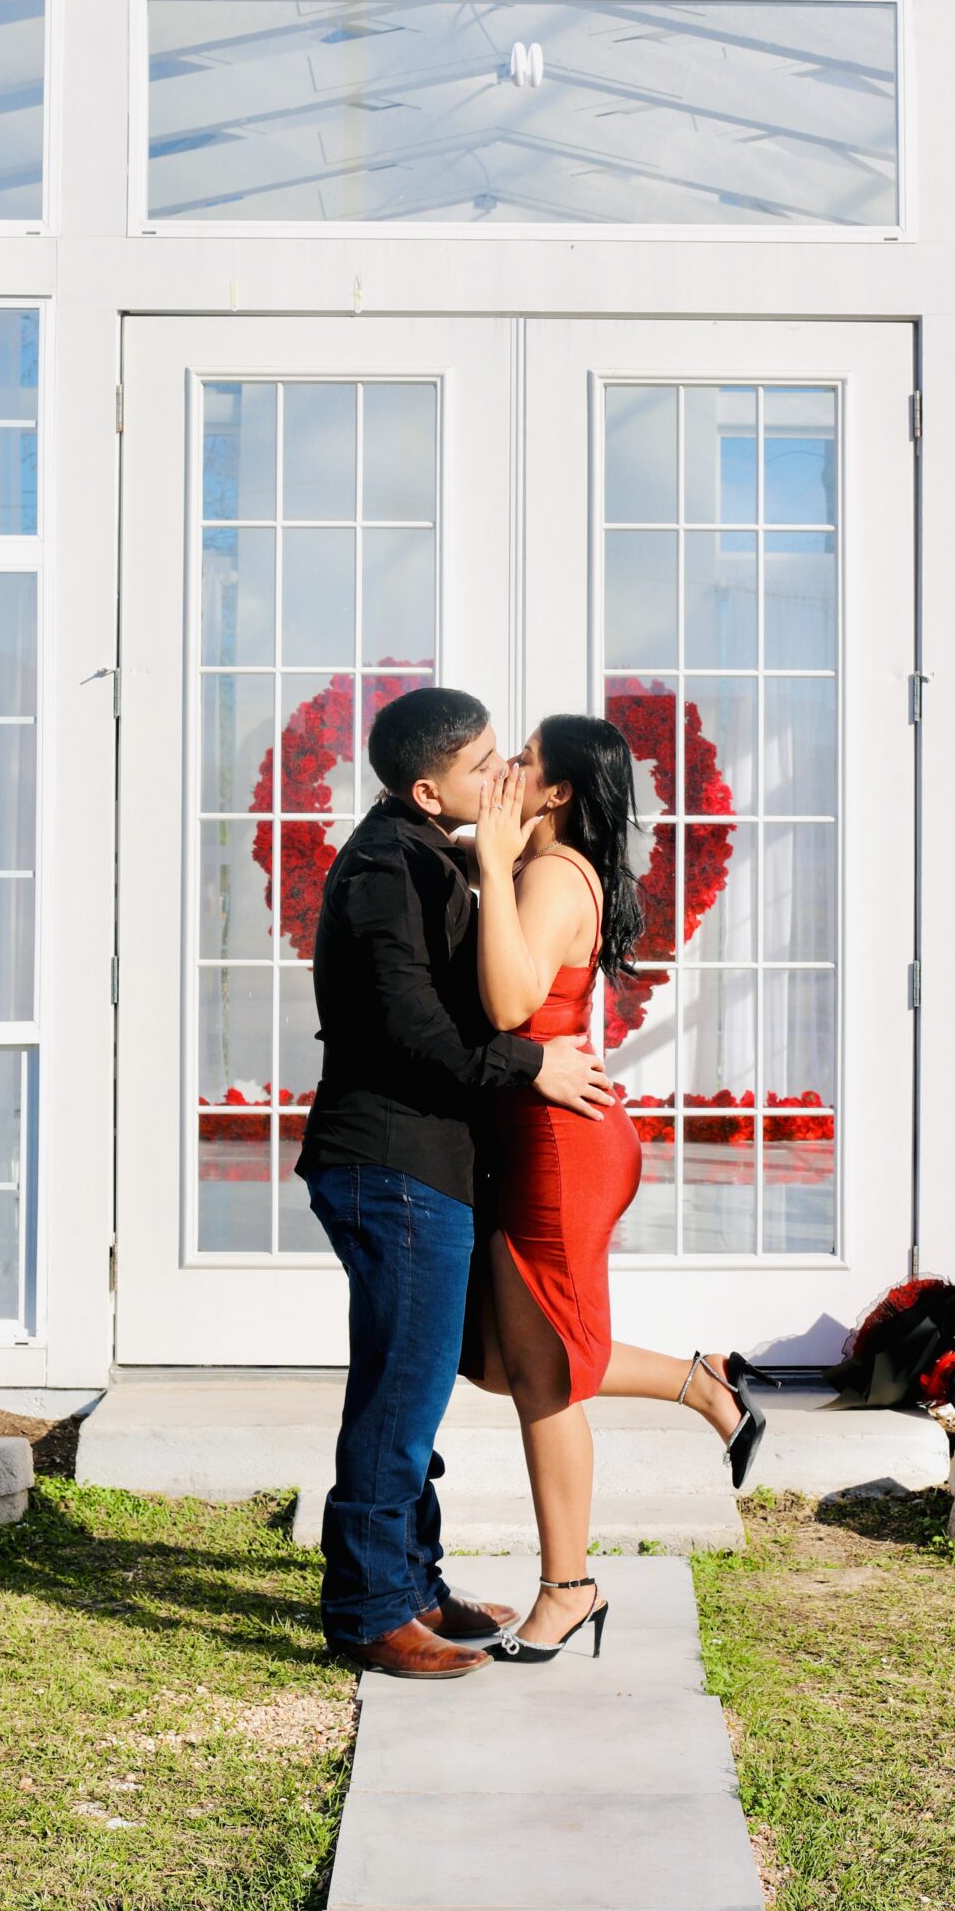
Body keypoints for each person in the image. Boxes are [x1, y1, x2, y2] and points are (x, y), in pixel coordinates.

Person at [297, 685, 616, 1680]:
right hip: (390, 1163)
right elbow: (412, 1033)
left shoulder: (436, 851)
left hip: (425, 1162)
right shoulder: (387, 869)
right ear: (432, 791)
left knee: (419, 1388)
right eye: (489, 763)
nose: (509, 776)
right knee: (399, 1394)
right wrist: (533, 1067)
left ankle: (415, 1581)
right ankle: (366, 1611)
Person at [465, 713, 770, 1665]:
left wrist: (488, 862)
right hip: (545, 1136)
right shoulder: (549, 867)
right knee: (508, 1362)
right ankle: (699, 1383)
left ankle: (567, 1588)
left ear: (554, 792)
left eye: (523, 761)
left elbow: (512, 1005)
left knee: (544, 1377)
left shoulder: (551, 875)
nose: (506, 769)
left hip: (559, 1145)